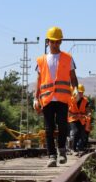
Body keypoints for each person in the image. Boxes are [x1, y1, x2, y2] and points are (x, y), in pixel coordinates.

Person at [33, 26, 78, 167]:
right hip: (47, 99)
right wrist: (35, 98)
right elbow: (39, 80)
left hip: (62, 98)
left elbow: (73, 77)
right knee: (49, 128)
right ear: (48, 42)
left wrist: (75, 88)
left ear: (61, 42)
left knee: (63, 124)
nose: (55, 44)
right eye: (52, 41)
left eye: (58, 41)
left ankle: (62, 151)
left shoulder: (68, 58)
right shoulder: (41, 60)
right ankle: (52, 156)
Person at [68, 84, 90, 153]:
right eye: (79, 92)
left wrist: (86, 114)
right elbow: (68, 113)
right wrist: (76, 115)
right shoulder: (71, 100)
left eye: (81, 92)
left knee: (81, 134)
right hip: (73, 119)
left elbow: (88, 111)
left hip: (81, 120)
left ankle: (79, 149)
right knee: (76, 131)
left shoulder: (85, 101)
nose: (80, 94)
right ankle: (73, 149)